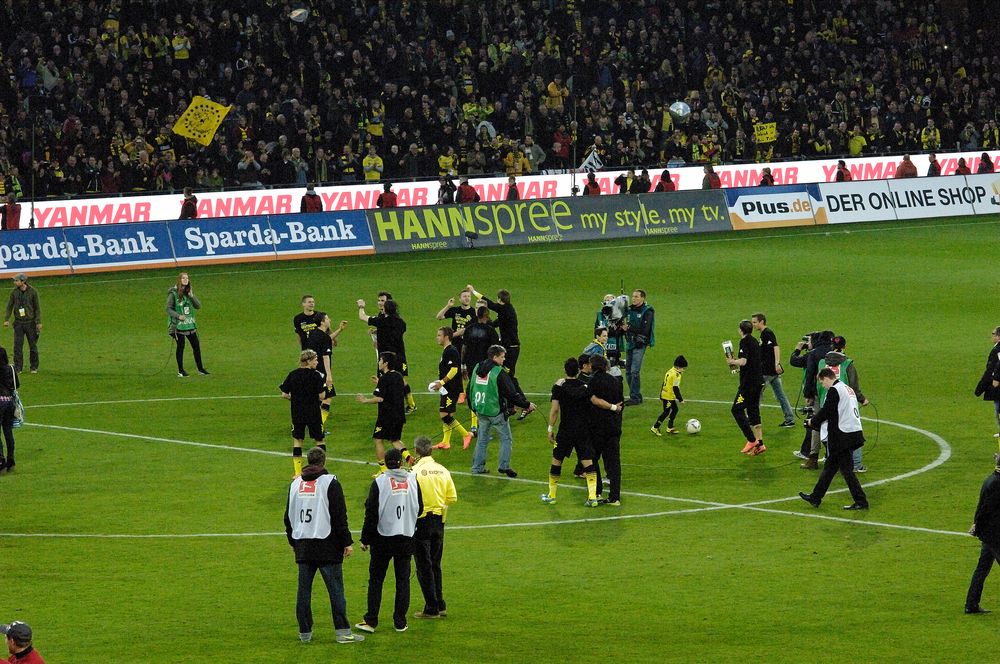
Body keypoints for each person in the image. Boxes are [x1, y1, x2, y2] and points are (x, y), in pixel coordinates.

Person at [284, 446, 365, 644]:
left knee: (303, 591)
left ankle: (305, 633)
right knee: (336, 590)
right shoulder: (330, 483)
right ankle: (343, 632)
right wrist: (347, 542)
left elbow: (288, 517)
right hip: (327, 545)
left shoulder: (294, 485)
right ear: (324, 462)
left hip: (303, 545)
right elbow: (339, 516)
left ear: (307, 462)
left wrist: (293, 541)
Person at [355, 448, 422, 634]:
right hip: (406, 537)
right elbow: (421, 507)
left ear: (385, 463)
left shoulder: (380, 482)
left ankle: (371, 621)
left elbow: (371, 513)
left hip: (382, 539)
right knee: (403, 581)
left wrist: (365, 539)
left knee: (376, 580)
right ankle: (400, 622)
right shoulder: (413, 480)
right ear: (400, 462)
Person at [798, 367, 869, 510]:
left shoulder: (834, 390)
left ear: (826, 378)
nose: (823, 386)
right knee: (830, 467)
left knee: (847, 471)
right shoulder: (847, 389)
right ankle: (815, 497)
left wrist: (812, 422)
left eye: (822, 382)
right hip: (852, 431)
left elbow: (827, 411)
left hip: (842, 435)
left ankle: (861, 501)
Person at [468, 344, 537, 477]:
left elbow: (470, 388)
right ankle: (503, 465)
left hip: (480, 410)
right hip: (495, 412)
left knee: (482, 439)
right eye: (502, 357)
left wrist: (473, 406)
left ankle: (477, 467)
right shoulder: (498, 372)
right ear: (495, 357)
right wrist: (527, 405)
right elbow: (512, 394)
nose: (504, 359)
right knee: (506, 438)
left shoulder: (477, 367)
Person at [543, 357, 602, 506]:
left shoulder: (559, 387)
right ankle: (592, 497)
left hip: (566, 430)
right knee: (588, 462)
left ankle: (552, 495)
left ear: (565, 370)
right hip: (582, 430)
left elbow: (555, 410)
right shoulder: (585, 387)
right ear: (578, 370)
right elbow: (593, 405)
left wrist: (550, 429)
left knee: (557, 460)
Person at [411, 435, 457, 619]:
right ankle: (440, 604)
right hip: (439, 521)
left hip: (420, 521)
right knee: (435, 564)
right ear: (431, 449)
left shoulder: (413, 472)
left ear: (416, 451)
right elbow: (452, 498)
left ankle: (431, 608)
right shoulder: (443, 470)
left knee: (423, 566)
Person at [466, 285, 527, 418]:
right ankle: (512, 406)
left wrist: (473, 291)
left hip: (511, 349)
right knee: (508, 376)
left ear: (500, 300)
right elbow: (494, 324)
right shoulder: (506, 312)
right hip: (510, 347)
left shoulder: (505, 308)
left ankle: (523, 404)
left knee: (509, 376)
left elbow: (488, 302)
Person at [356, 352, 414, 473]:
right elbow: (393, 388)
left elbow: (380, 398)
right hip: (399, 415)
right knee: (395, 440)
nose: (379, 363)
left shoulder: (384, 379)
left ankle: (383, 469)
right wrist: (380, 382)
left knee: (378, 439)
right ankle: (408, 457)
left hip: (386, 416)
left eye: (380, 360)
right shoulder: (398, 376)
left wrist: (365, 400)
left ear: (386, 363)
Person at [819, 336, 870, 472]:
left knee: (830, 431)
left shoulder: (822, 363)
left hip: (826, 400)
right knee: (853, 429)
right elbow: (853, 386)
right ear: (844, 347)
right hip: (846, 401)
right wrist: (862, 399)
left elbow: (814, 382)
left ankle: (832, 462)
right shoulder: (847, 363)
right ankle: (856, 464)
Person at [358, 296, 416, 413]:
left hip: (386, 357)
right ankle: (411, 404)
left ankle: (391, 405)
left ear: (385, 309)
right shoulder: (401, 323)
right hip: (399, 355)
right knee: (400, 381)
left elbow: (362, 317)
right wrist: (378, 332)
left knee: (385, 381)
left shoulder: (381, 321)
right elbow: (392, 331)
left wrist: (361, 306)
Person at [280, 349, 327, 476]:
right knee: (319, 439)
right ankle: (321, 470)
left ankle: (297, 472)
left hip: (297, 412)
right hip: (313, 412)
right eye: (316, 360)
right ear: (309, 361)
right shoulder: (316, 375)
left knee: (297, 441)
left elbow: (284, 394)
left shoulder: (293, 374)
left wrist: (295, 399)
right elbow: (322, 396)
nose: (317, 362)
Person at [965, 453, 1000, 615]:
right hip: (995, 536)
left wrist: (976, 524)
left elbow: (980, 506)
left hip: (988, 534)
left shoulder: (990, 480)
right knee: (982, 569)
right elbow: (985, 509)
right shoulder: (996, 484)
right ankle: (971, 605)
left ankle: (971, 604)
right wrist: (977, 526)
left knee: (982, 568)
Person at [588, 355, 624, 505]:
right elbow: (621, 404)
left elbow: (593, 400)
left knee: (592, 459)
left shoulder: (593, 382)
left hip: (597, 428)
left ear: (592, 366)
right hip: (614, 427)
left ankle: (597, 492)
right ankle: (615, 497)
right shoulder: (615, 382)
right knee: (614, 463)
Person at [429, 327, 473, 450]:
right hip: (448, 388)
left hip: (450, 389)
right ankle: (446, 442)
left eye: (439, 335)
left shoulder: (451, 351)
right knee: (448, 415)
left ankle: (466, 434)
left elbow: (454, 370)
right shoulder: (447, 350)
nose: (437, 338)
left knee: (444, 415)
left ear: (446, 337)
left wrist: (441, 382)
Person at [726, 319, 765, 455]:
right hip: (758, 382)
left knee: (736, 410)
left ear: (741, 330)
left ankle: (751, 439)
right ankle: (760, 444)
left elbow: (743, 361)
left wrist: (732, 361)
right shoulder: (754, 341)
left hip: (748, 385)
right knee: (753, 412)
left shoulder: (745, 341)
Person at [751, 313, 795, 427]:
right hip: (772, 372)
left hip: (767, 371)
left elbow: (776, 347)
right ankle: (789, 419)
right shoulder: (763, 334)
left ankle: (753, 418)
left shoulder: (767, 333)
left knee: (757, 393)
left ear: (761, 322)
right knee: (780, 395)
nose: (753, 324)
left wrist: (777, 363)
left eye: (755, 322)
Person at [460, 305, 498, 436]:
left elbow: (464, 348)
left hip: (471, 366)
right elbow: (495, 351)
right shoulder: (490, 330)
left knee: (474, 393)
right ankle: (485, 425)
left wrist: (463, 365)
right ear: (487, 316)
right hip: (485, 367)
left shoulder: (469, 329)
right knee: (486, 394)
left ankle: (474, 425)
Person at [305, 314, 347, 429]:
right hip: (322, 372)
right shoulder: (324, 337)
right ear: (323, 322)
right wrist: (329, 376)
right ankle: (319, 425)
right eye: (328, 318)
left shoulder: (313, 333)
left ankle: (311, 422)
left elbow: (327, 339)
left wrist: (339, 330)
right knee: (327, 398)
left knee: (317, 398)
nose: (330, 320)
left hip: (312, 370)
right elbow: (325, 357)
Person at [166, 272, 208, 377]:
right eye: (183, 278)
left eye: (187, 278)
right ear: (179, 280)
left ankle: (200, 369)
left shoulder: (188, 293)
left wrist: (192, 296)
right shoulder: (173, 294)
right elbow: (168, 309)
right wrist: (178, 316)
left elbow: (198, 306)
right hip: (177, 326)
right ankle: (181, 371)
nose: (186, 280)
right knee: (181, 346)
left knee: (196, 346)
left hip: (189, 325)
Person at [622, 289, 655, 405]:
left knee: (634, 371)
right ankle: (636, 395)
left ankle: (634, 397)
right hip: (630, 342)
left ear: (643, 298)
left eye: (636, 296)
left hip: (640, 344)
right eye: (633, 296)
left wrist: (629, 328)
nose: (634, 298)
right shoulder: (629, 310)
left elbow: (645, 330)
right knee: (628, 371)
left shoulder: (648, 311)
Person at [3, 274, 41, 375]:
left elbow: (37, 308)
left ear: (23, 281)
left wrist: (38, 322)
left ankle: (34, 367)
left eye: (16, 281)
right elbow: (9, 306)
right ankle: (18, 367)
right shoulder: (14, 292)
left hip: (30, 323)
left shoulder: (33, 292)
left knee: (33, 346)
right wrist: (6, 319)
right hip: (18, 323)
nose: (14, 282)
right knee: (17, 346)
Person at [435, 289, 475, 367]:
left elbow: (465, 330)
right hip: (455, 343)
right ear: (460, 299)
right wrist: (448, 306)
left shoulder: (473, 312)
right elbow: (439, 317)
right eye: (464, 296)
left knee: (466, 367)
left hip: (467, 344)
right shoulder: (456, 310)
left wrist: (451, 336)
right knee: (454, 365)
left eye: (468, 296)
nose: (467, 298)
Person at [651, 355, 687, 435]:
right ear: (678, 367)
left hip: (665, 394)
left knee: (675, 409)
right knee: (666, 412)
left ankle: (670, 427)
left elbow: (664, 383)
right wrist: (680, 399)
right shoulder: (676, 375)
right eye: (683, 368)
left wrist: (661, 394)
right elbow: (675, 388)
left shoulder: (670, 371)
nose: (684, 370)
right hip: (668, 397)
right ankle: (655, 427)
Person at [975, 326, 1000, 438]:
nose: (991, 335)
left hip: (998, 386)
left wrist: (981, 387)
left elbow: (991, 370)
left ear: (999, 336)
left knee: (998, 409)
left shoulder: (997, 350)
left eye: (993, 333)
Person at [0, 347, 17, 472]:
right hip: (9, 401)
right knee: (8, 431)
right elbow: (17, 385)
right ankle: (11, 458)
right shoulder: (11, 368)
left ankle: (1, 460)